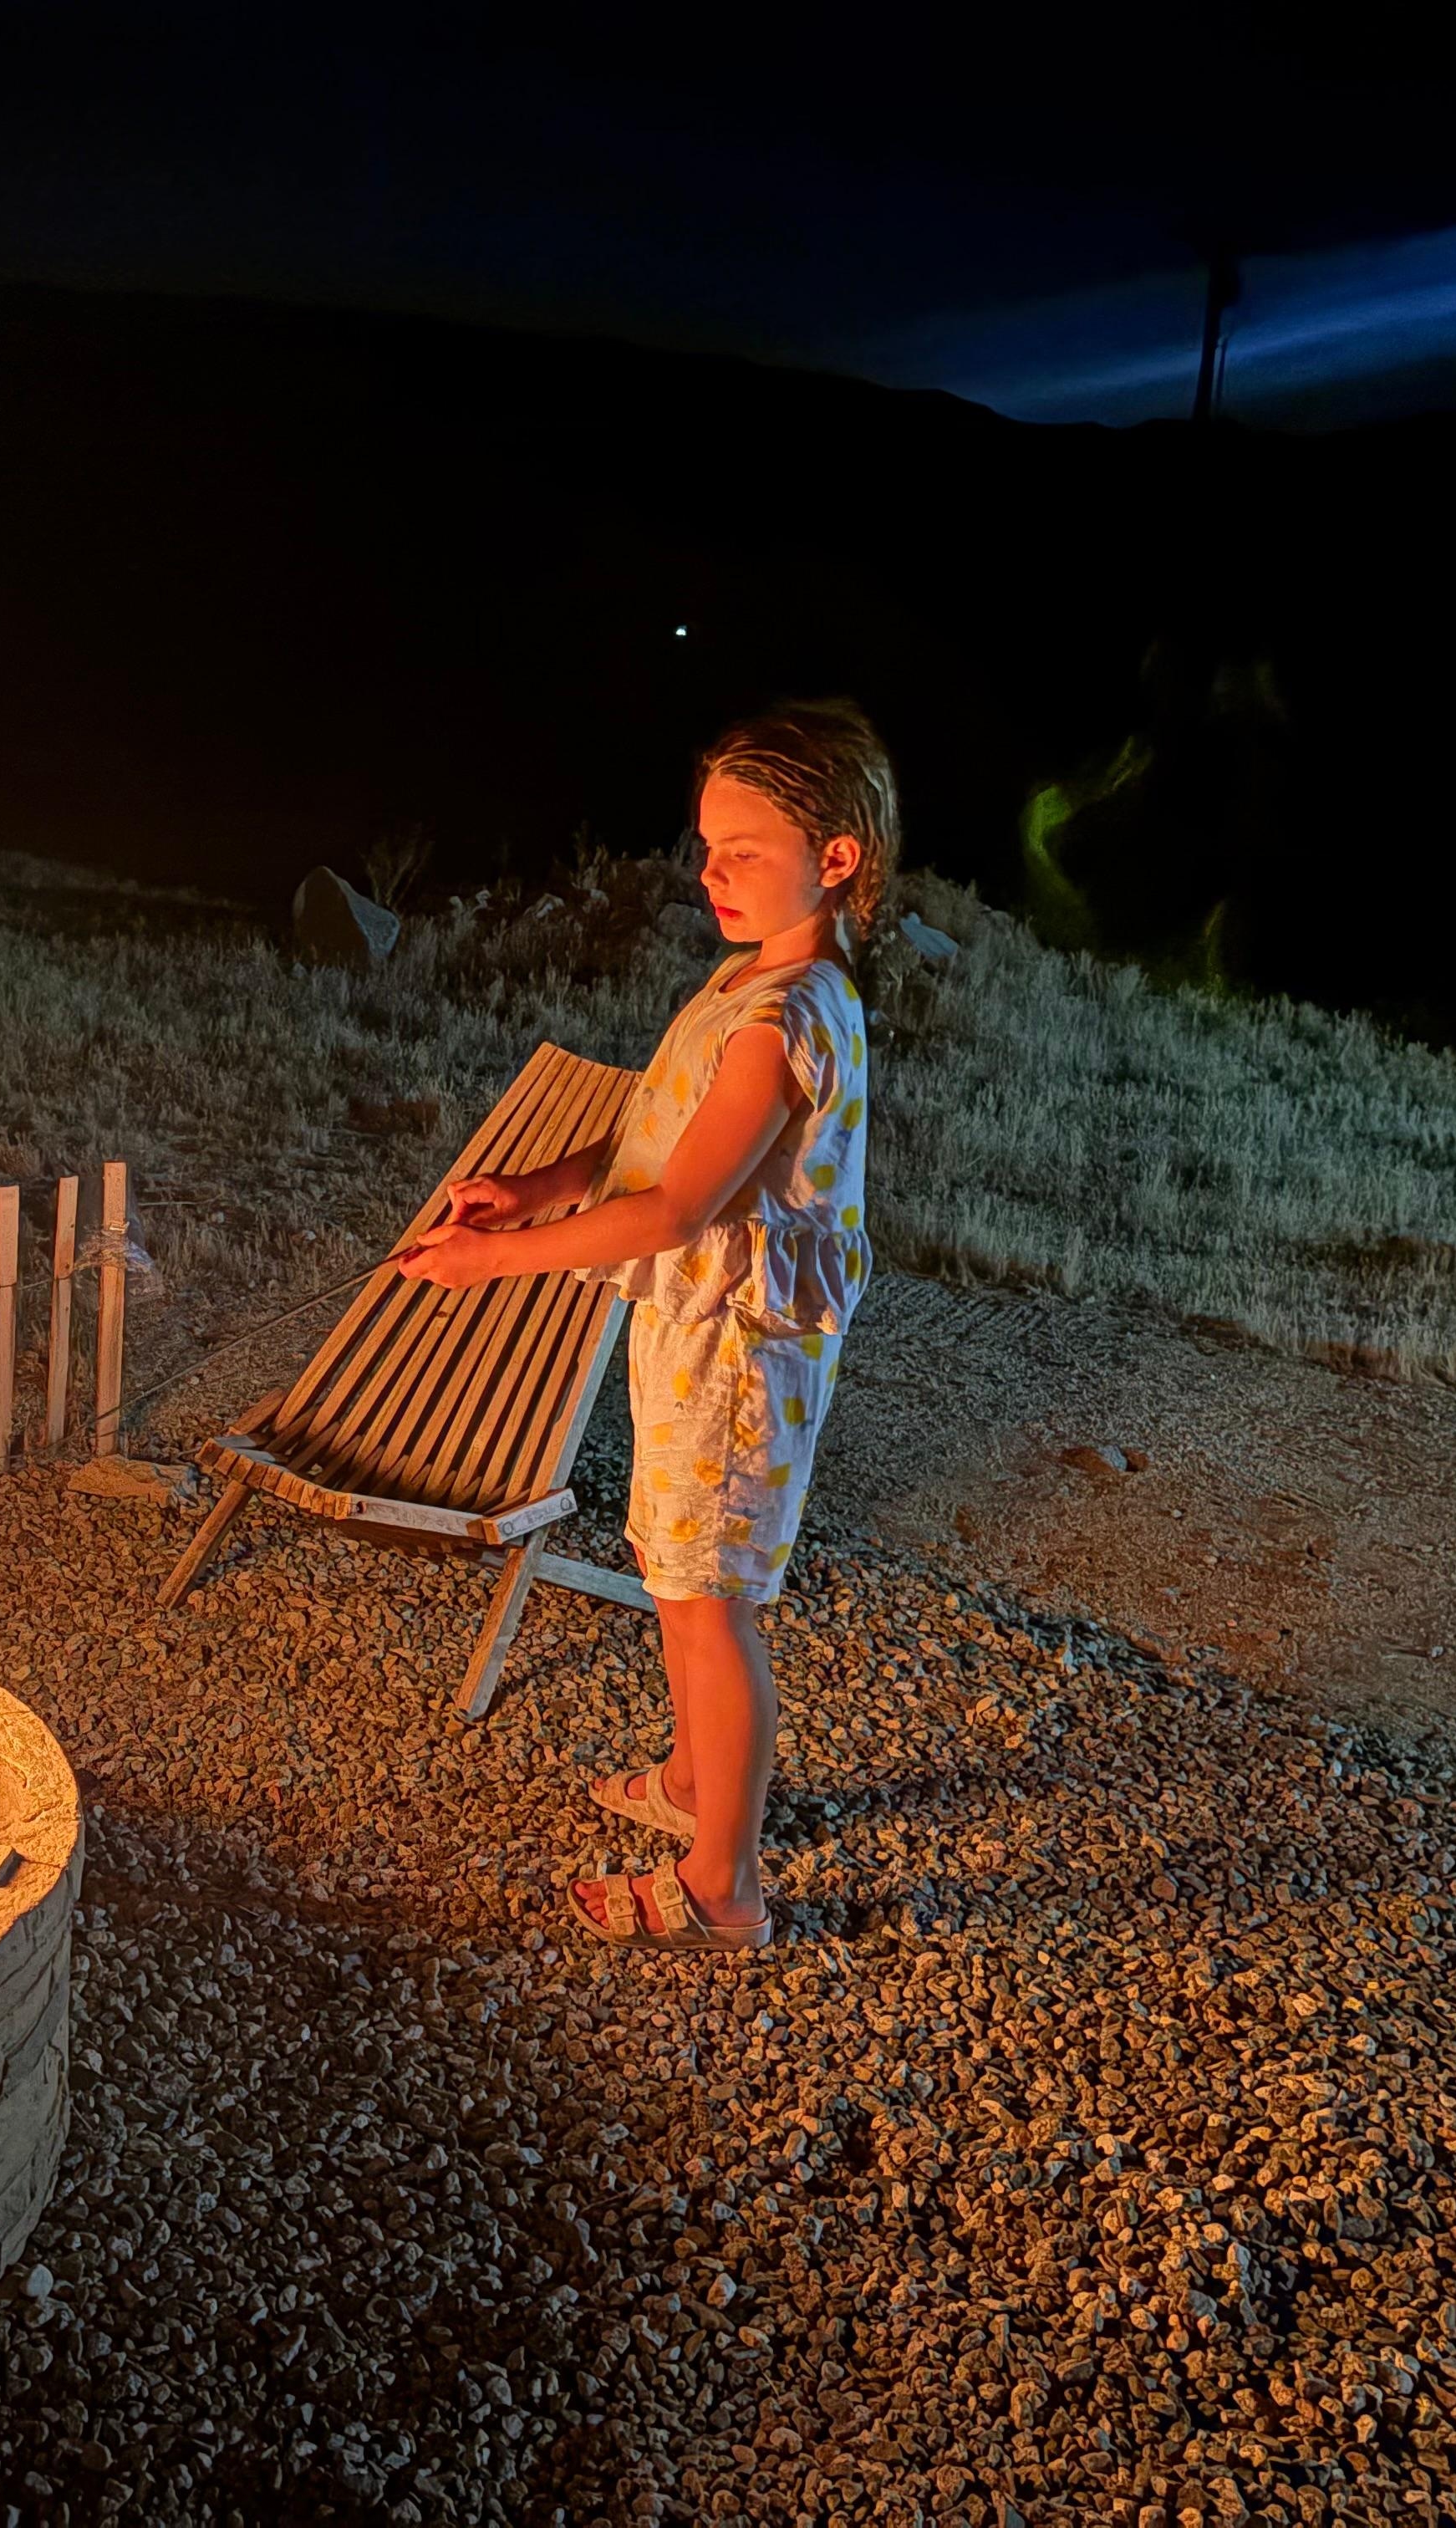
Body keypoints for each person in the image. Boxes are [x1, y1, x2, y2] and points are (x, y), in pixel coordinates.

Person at [399, 699, 888, 1952]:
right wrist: (537, 1188)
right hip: (696, 1328)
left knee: (709, 1603)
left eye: (744, 852)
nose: (711, 874)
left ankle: (725, 1888)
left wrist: (491, 1260)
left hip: (742, 1347)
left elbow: (676, 1207)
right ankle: (690, 1780)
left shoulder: (789, 1017)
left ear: (836, 858)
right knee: (677, 1576)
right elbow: (651, 1140)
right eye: (707, 848)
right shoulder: (744, 978)